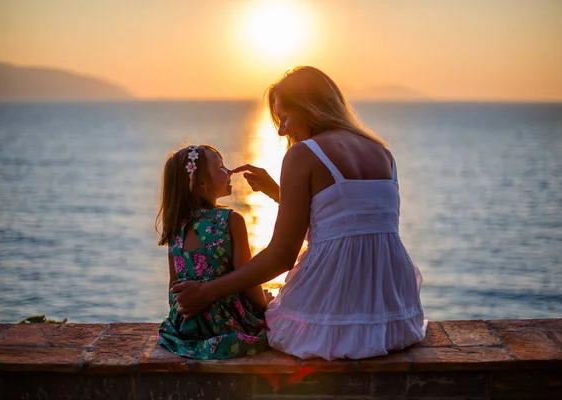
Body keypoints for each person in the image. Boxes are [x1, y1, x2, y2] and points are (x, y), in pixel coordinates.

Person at [171, 66, 426, 360]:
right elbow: (345, 224)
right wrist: (279, 193)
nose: (281, 130)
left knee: (261, 323)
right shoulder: (383, 153)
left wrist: (208, 291)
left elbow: (282, 256)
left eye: (285, 117)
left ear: (309, 108)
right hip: (393, 316)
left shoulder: (303, 153)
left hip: (333, 319)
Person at [155, 144, 269, 359]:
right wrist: (266, 304)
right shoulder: (231, 221)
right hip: (225, 323)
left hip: (187, 325)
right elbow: (247, 280)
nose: (229, 171)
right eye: (221, 167)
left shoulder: (175, 227)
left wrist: (181, 317)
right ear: (201, 183)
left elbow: (174, 285)